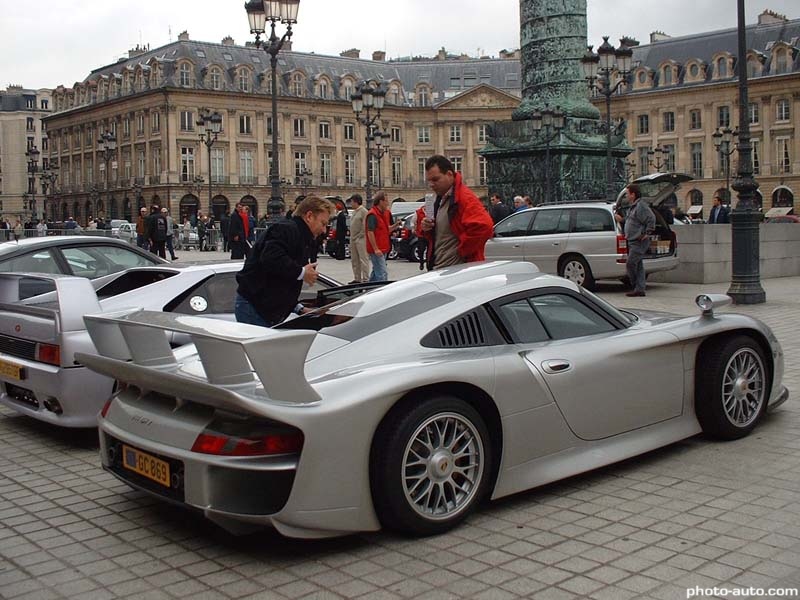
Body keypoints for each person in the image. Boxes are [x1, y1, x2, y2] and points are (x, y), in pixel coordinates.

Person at [234, 195, 332, 327]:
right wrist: (302, 272)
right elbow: (271, 258)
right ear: (309, 216)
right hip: (255, 307)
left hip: (261, 307)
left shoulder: (298, 234)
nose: (324, 230)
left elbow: (280, 280)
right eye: (323, 223)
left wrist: (299, 308)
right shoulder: (287, 229)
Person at [419, 155, 494, 271]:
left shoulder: (464, 198)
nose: (431, 184)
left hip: (457, 271)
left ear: (449, 174)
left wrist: (461, 252)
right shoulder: (441, 198)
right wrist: (426, 228)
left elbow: (485, 226)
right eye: (429, 181)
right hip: (441, 268)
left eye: (435, 179)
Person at [616, 183, 655, 297]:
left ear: (633, 194)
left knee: (631, 263)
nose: (626, 196)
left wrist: (646, 233)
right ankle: (640, 289)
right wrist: (622, 220)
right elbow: (632, 221)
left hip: (638, 240)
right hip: (632, 240)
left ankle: (634, 284)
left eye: (628, 194)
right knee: (638, 265)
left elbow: (651, 218)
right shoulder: (633, 207)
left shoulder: (641, 206)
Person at [366, 191, 399, 281]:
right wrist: (375, 248)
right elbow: (370, 232)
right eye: (386, 201)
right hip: (377, 249)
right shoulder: (373, 214)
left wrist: (395, 225)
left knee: (376, 271)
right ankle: (381, 291)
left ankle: (368, 289)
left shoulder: (384, 213)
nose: (388, 203)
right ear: (381, 201)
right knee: (382, 273)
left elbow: (386, 230)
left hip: (383, 248)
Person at [348, 194, 369, 283]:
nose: (351, 204)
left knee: (363, 259)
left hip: (361, 238)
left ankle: (365, 278)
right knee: (354, 260)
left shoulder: (363, 211)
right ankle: (357, 278)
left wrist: (360, 235)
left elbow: (365, 225)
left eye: (352, 202)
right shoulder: (354, 212)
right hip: (353, 238)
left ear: (356, 202)